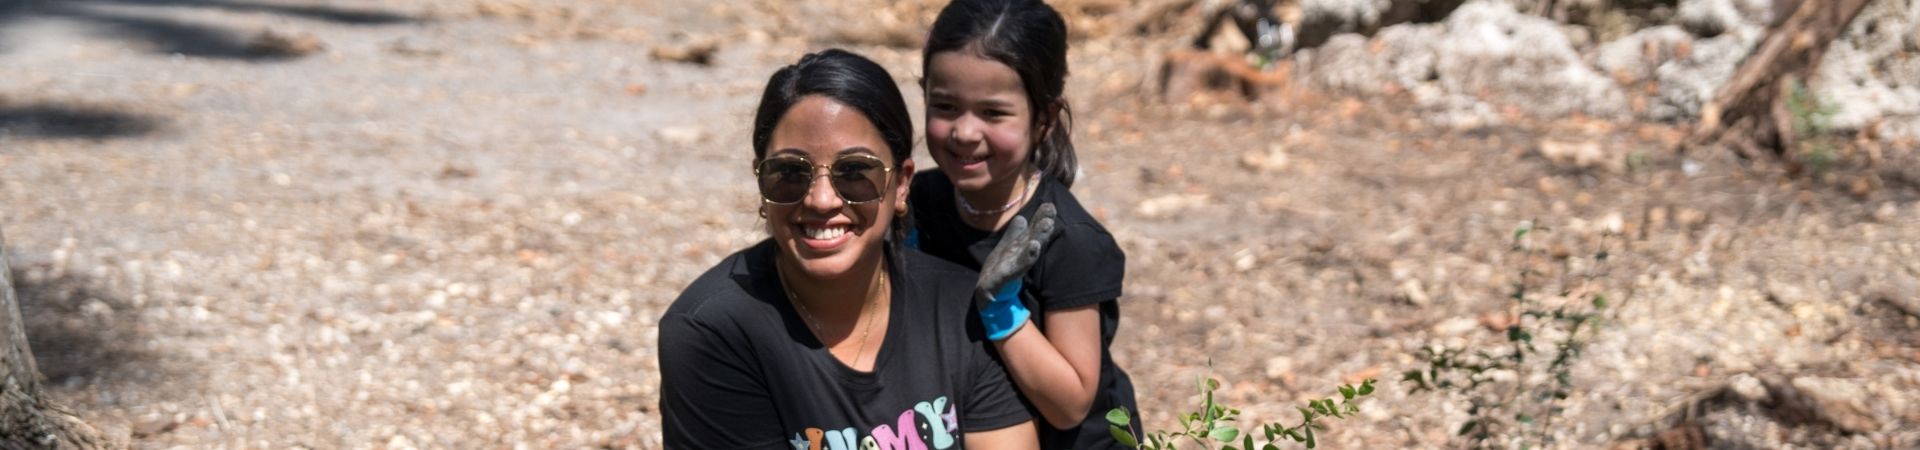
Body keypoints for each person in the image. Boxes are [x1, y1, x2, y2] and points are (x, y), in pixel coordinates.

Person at [657, 49, 1039, 449]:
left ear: (903, 184)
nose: (821, 200)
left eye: (855, 172)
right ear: (761, 184)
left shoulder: (957, 309)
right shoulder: (714, 331)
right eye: (789, 173)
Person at [909, 0, 1140, 448]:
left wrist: (1001, 312)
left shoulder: (1068, 241)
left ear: (1044, 119)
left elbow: (1071, 405)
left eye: (993, 113)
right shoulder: (920, 202)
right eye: (945, 106)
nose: (965, 132)